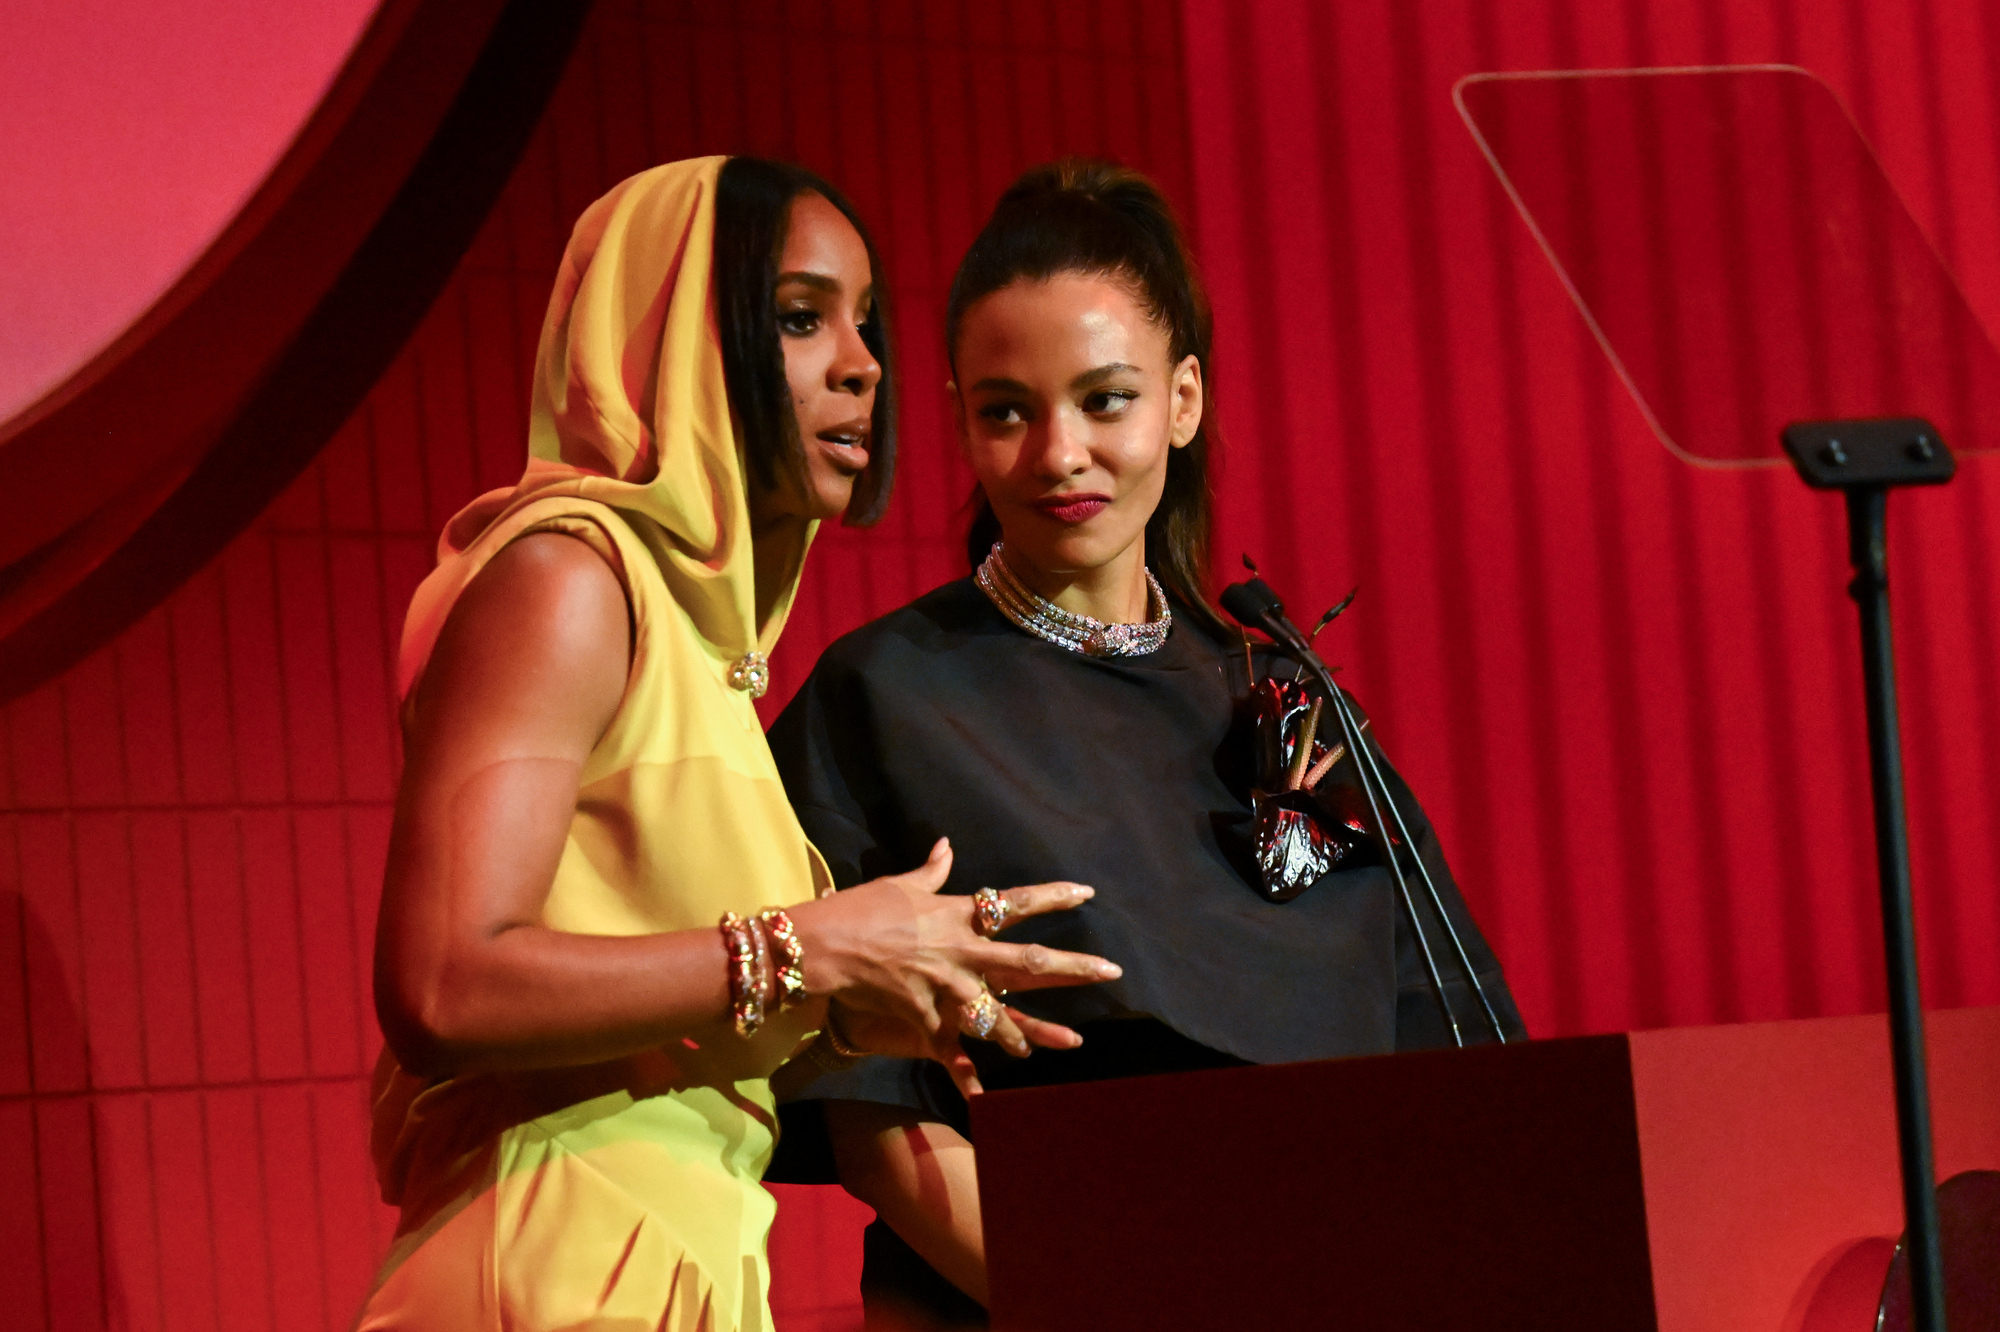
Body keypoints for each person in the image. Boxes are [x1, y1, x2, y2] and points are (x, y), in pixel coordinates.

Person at [354, 155, 1119, 1332]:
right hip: (551, 1262)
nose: (861, 364)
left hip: (679, 1268)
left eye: (862, 323)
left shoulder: (704, 648)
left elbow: (661, 990)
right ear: (668, 342)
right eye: (798, 318)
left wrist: (868, 999)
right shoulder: (567, 577)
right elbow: (443, 984)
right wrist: (812, 947)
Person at [767, 159, 1528, 1330]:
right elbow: (873, 1116)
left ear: (1180, 400)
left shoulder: (1283, 695)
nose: (1058, 453)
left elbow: (1456, 1071)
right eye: (1006, 410)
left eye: (1105, 400)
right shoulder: (882, 697)